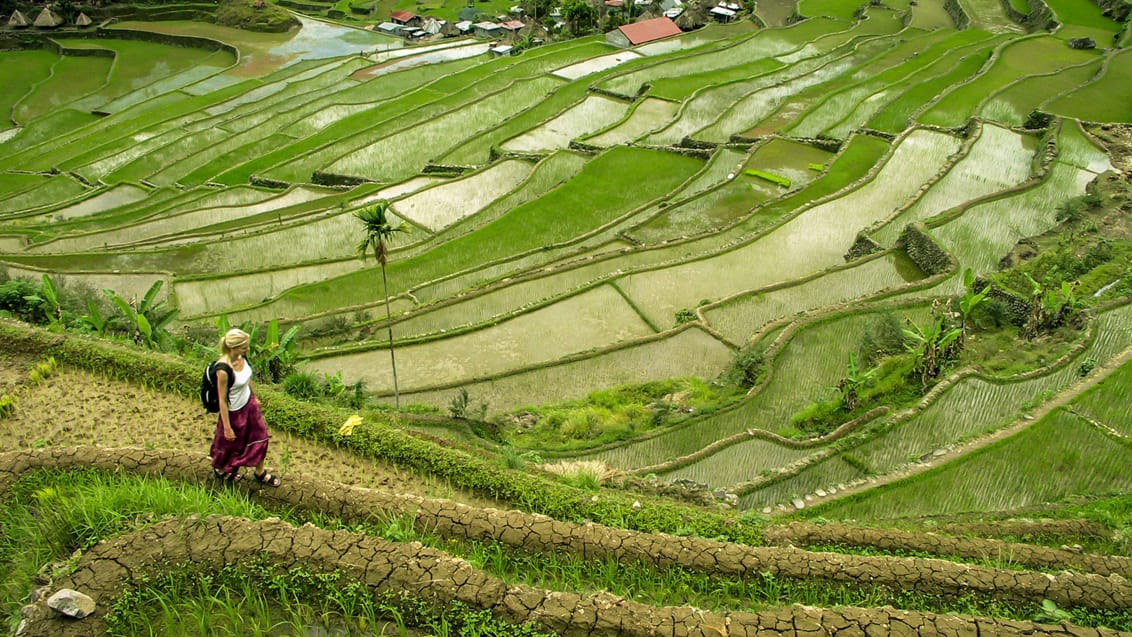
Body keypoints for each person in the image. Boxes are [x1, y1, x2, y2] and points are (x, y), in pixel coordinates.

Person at [209, 328, 281, 486]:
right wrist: (227, 427)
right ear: (233, 348)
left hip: (249, 406)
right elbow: (222, 399)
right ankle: (221, 471)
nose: (248, 349)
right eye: (244, 347)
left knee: (261, 437)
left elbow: (247, 379)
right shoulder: (223, 370)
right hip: (234, 412)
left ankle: (260, 473)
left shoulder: (242, 357)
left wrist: (254, 397)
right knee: (231, 445)